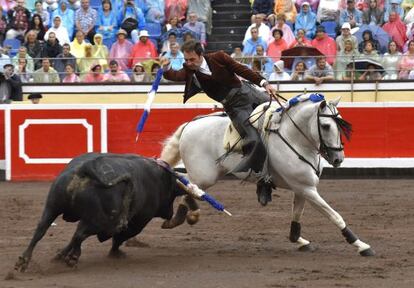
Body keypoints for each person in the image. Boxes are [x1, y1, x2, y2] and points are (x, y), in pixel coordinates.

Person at [160, 40, 276, 203]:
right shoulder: (189, 70)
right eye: (186, 60)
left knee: (281, 113)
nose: (188, 63)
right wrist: (166, 68)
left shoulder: (219, 57)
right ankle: (263, 182)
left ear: (201, 55)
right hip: (235, 108)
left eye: (191, 59)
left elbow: (241, 69)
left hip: (250, 93)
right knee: (254, 139)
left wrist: (265, 83)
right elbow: (175, 75)